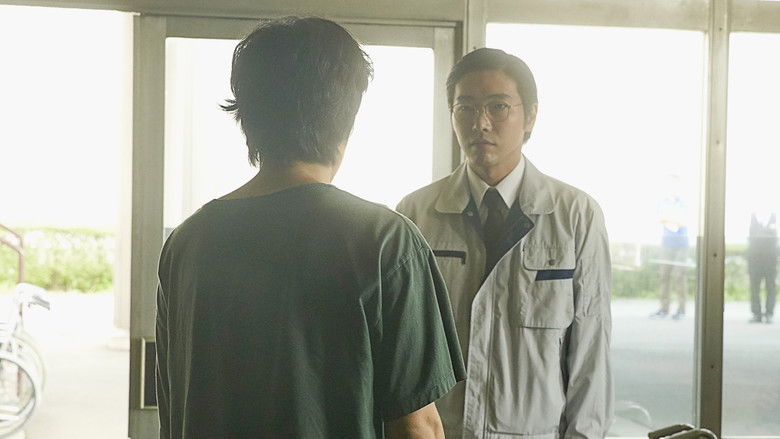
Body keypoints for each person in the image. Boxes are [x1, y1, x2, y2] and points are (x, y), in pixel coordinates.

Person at [155, 17, 465, 439]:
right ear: (346, 117)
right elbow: (417, 427)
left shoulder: (187, 242)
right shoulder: (385, 242)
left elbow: (173, 409)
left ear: (247, 114)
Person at [397, 48, 613, 438]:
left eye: (498, 107)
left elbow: (591, 352)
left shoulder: (575, 215)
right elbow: (402, 352)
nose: (480, 123)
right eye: (465, 108)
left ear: (530, 116)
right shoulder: (416, 214)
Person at [651, 175, 690, 320]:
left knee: (680, 276)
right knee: (664, 276)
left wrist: (668, 219)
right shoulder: (663, 203)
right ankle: (664, 308)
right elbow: (657, 219)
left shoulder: (684, 203)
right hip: (667, 242)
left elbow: (684, 221)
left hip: (681, 243)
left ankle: (681, 309)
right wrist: (672, 219)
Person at [747, 211, 777, 324]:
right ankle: (758, 314)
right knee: (756, 288)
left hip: (768, 261)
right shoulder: (754, 220)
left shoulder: (773, 221)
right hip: (758, 260)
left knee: (769, 287)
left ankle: (767, 313)